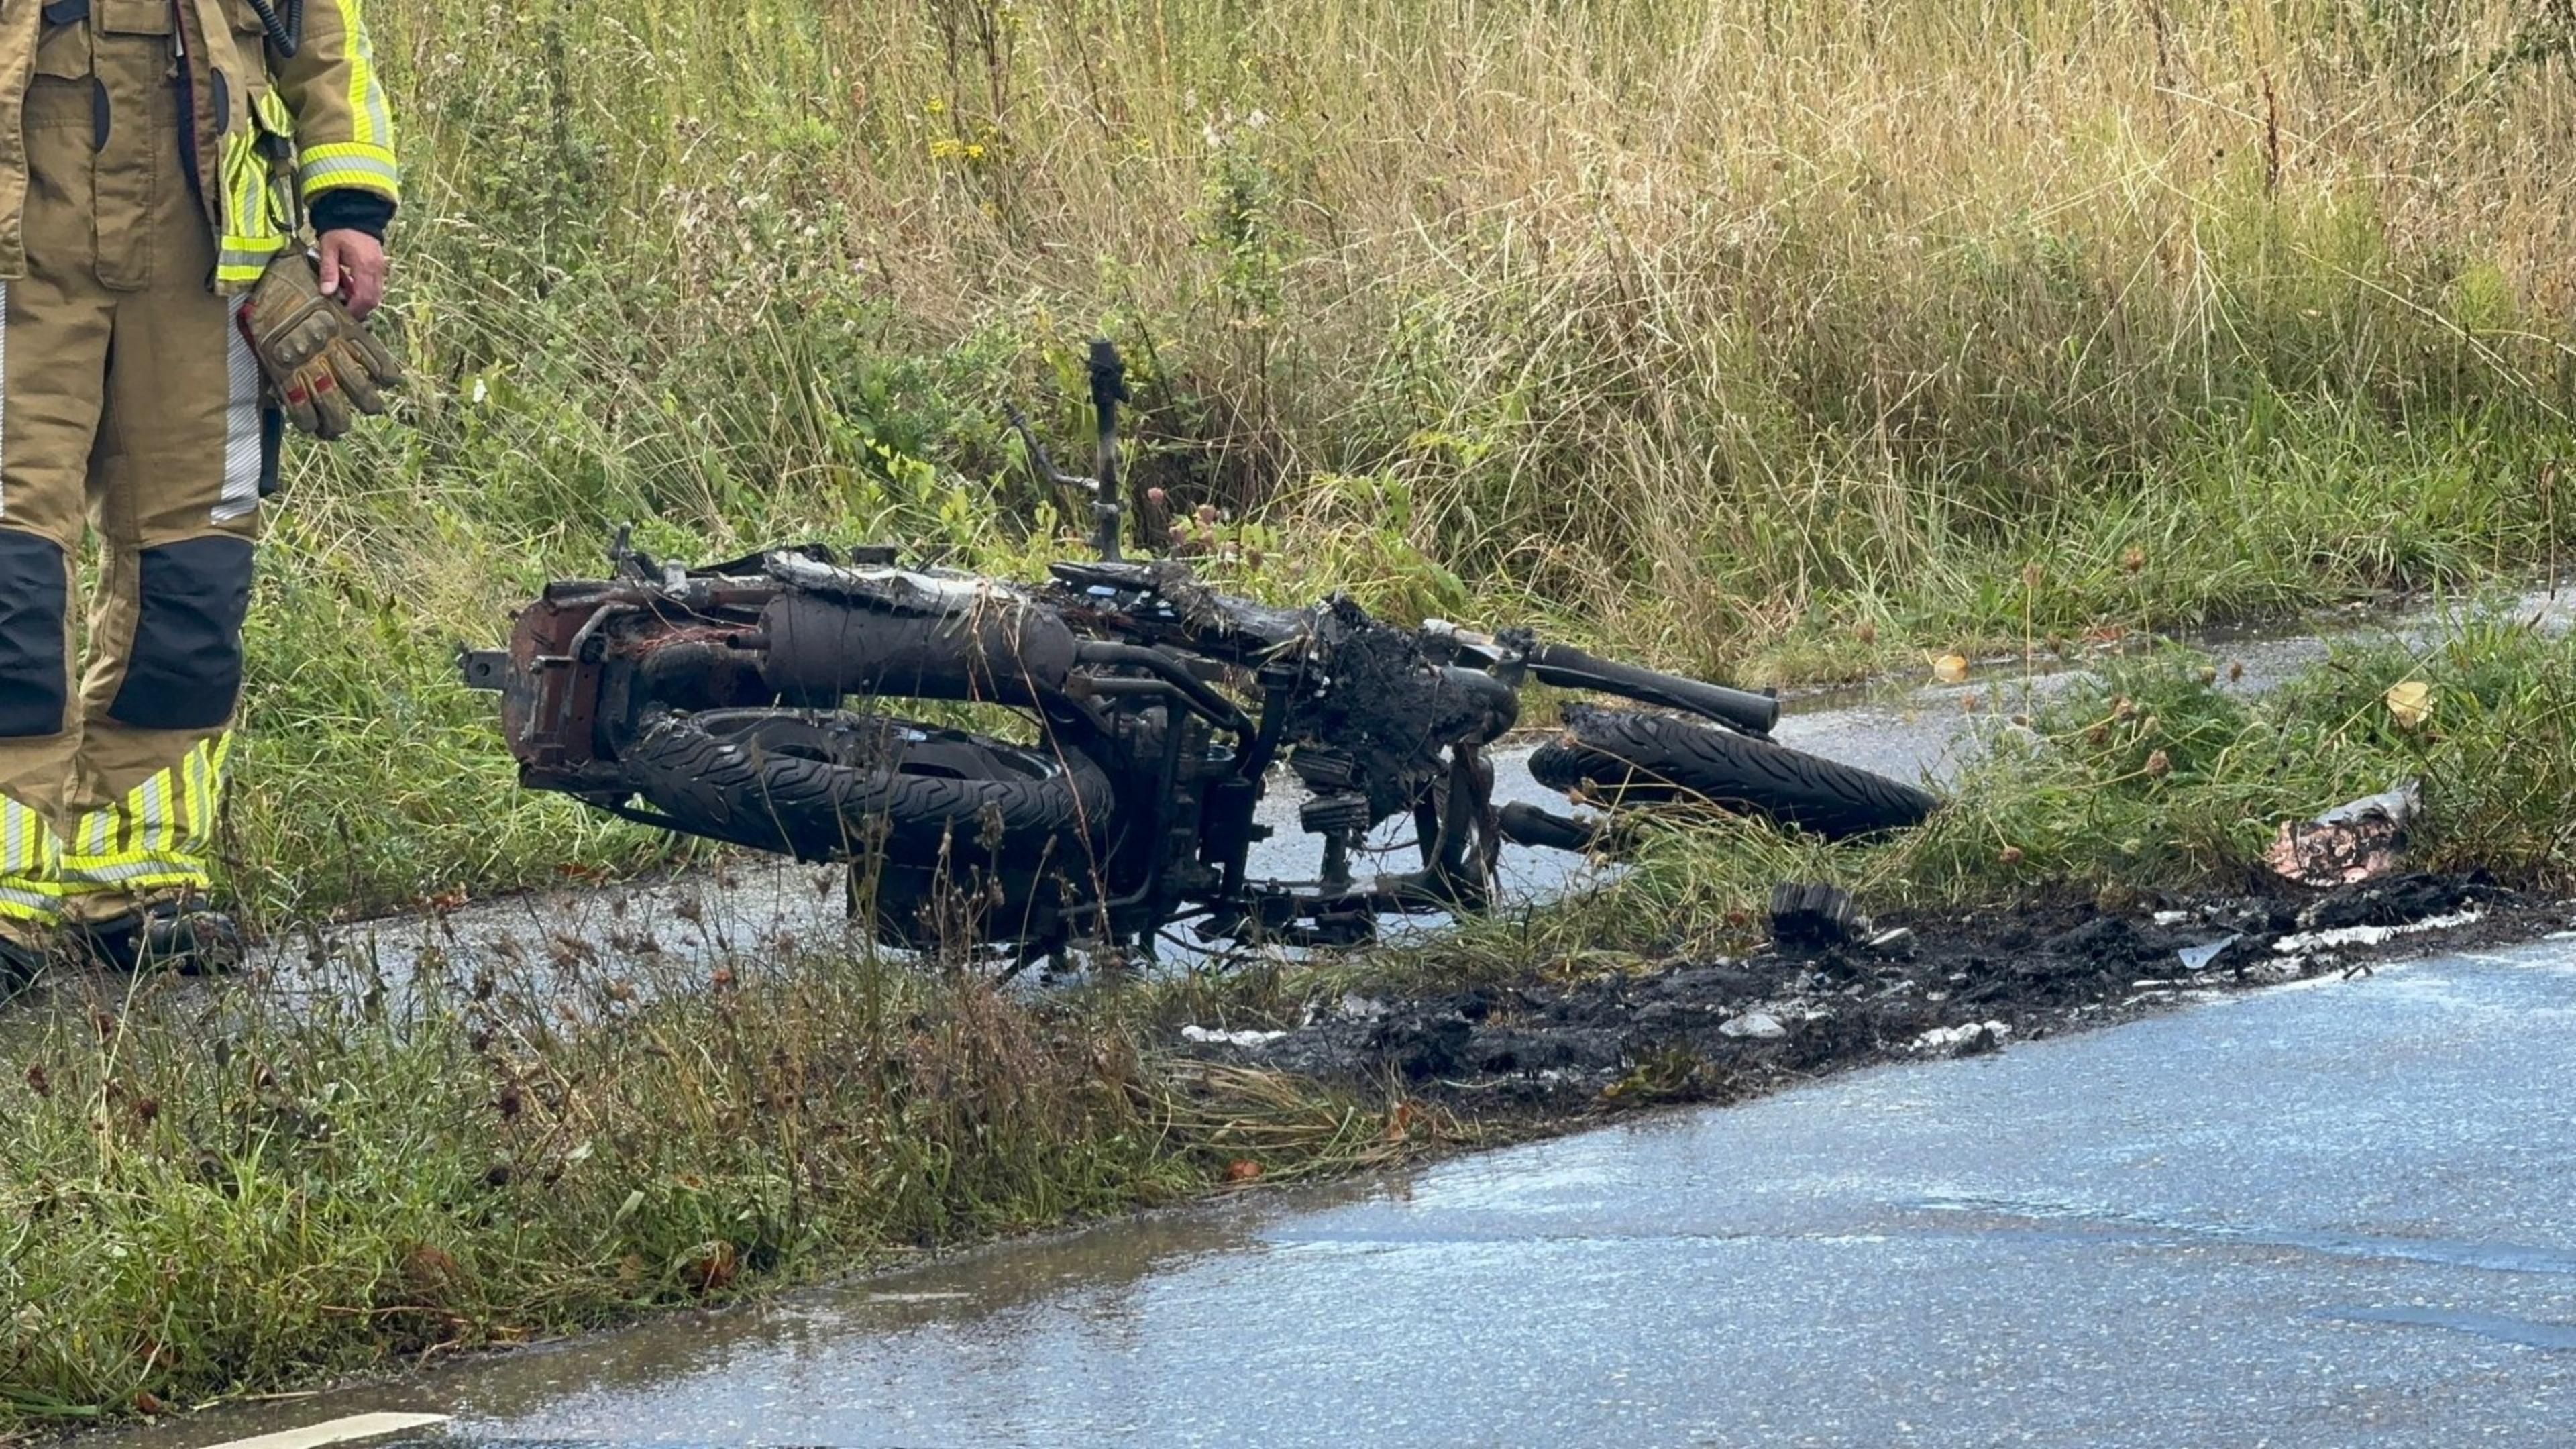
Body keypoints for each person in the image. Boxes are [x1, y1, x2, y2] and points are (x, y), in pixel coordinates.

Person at [0, 0, 399, 990]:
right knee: (8, 573)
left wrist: (349, 208)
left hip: (209, 247)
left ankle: (136, 881)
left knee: (196, 570)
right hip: (18, 233)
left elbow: (326, 35)